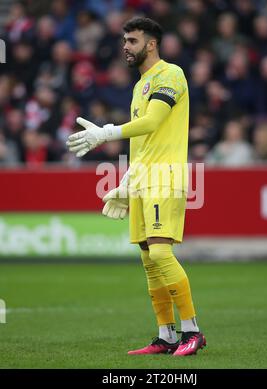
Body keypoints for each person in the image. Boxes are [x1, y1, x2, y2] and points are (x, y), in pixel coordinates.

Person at [66, 17, 206, 357]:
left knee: (160, 252)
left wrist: (106, 132)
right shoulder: (139, 86)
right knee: (148, 259)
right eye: (124, 40)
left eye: (132, 40)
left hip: (165, 177)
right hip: (143, 178)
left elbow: (154, 121)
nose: (125, 46)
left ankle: (192, 331)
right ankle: (166, 335)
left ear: (151, 43)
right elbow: (143, 142)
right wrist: (126, 181)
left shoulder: (171, 74)